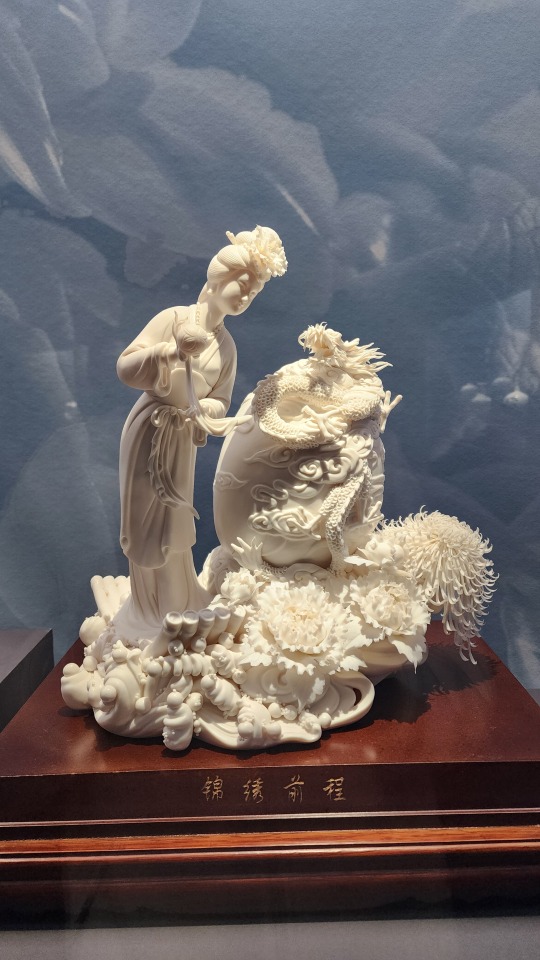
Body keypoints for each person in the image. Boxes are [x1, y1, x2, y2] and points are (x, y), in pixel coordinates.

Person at [114, 227, 287, 638]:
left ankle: (178, 600)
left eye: (254, 293)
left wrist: (200, 410)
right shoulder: (173, 320)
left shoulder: (227, 348)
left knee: (175, 520)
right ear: (216, 280)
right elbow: (125, 368)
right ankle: (145, 609)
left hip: (180, 440)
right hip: (149, 430)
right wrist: (171, 351)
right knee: (144, 518)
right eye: (242, 285)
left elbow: (220, 402)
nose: (245, 296)